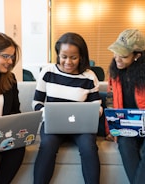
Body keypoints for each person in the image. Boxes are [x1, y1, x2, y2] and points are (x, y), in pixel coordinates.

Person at [32, 32, 103, 184]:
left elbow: (96, 105)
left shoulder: (89, 76)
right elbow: (37, 102)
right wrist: (47, 114)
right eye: (64, 56)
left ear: (81, 57)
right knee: (47, 146)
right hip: (53, 124)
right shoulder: (48, 72)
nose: (68, 62)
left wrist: (94, 112)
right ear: (58, 54)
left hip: (81, 126)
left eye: (73, 57)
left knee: (88, 147)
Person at [107, 28, 145, 184]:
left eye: (123, 55)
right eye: (116, 53)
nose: (117, 59)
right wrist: (111, 128)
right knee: (125, 145)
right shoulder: (115, 73)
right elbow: (111, 101)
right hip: (126, 126)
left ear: (137, 56)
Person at [0, 32, 25, 184]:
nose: (10, 61)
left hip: (1, 135)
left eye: (12, 57)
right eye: (5, 56)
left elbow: (15, 111)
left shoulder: (10, 79)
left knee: (18, 150)